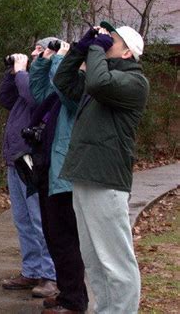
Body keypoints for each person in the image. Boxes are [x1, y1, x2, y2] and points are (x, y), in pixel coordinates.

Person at [53, 22, 149, 313]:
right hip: (84, 174)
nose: (107, 41)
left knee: (115, 260)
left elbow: (97, 83)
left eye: (113, 40)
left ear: (127, 53)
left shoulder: (134, 82)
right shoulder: (103, 78)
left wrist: (95, 49)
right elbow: (63, 81)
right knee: (93, 257)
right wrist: (81, 48)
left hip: (106, 179)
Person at [29, 41, 89, 314]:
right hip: (49, 169)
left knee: (66, 238)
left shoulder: (82, 88)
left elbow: (63, 87)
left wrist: (61, 59)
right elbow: (39, 91)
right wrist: (42, 61)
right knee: (54, 235)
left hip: (65, 173)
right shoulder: (61, 90)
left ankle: (75, 301)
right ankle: (66, 291)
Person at [0, 38, 57, 299]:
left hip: (33, 159)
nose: (33, 53)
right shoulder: (27, 79)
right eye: (33, 49)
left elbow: (36, 98)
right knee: (22, 219)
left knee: (39, 218)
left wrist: (22, 73)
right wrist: (11, 73)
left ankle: (50, 274)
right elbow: (5, 98)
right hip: (16, 158)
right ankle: (31, 269)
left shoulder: (47, 80)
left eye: (39, 50)